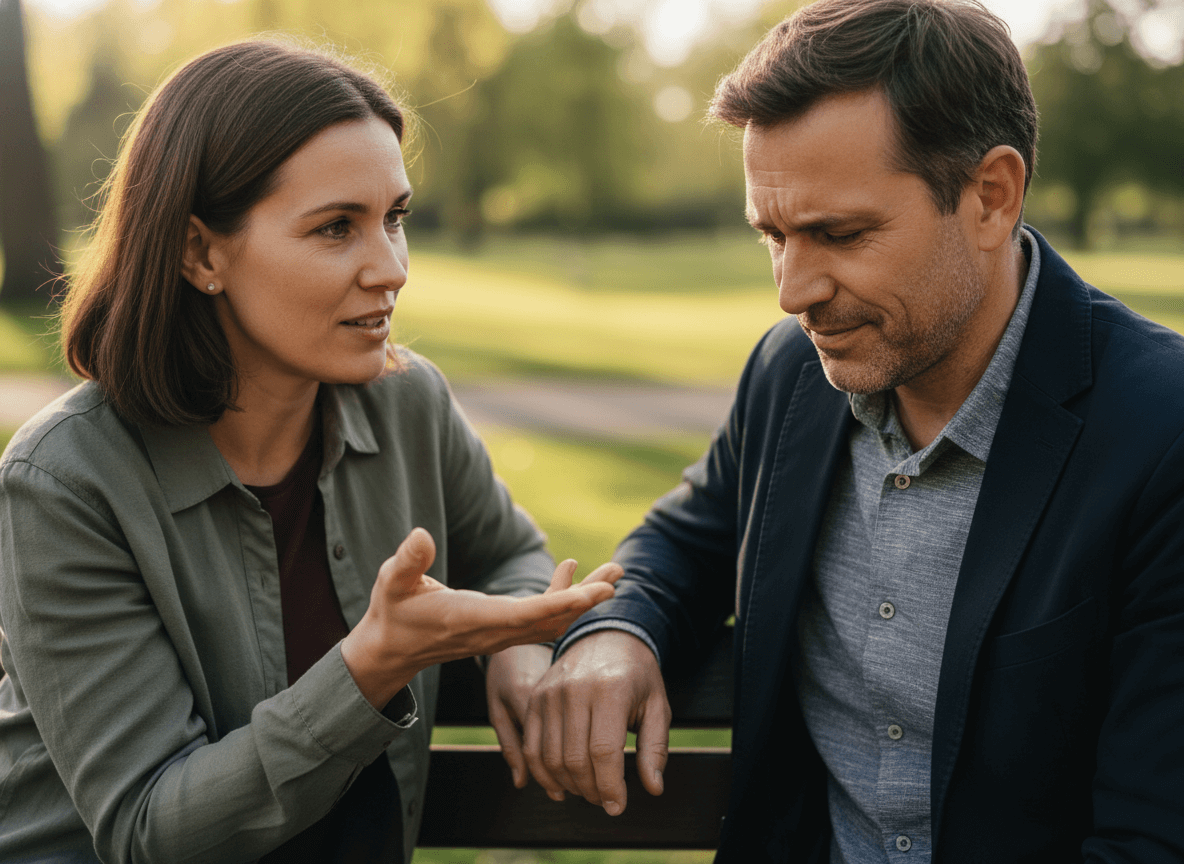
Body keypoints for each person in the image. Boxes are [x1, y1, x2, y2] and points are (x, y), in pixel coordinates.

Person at [520, 0, 1184, 860]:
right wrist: (621, 633)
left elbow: (1151, 840)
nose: (794, 293)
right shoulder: (791, 374)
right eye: (774, 236)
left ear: (991, 197)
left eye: (838, 234)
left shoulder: (1161, 436)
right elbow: (686, 539)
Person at [0, 41, 621, 864]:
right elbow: (151, 831)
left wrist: (514, 642)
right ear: (201, 254)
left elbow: (510, 554)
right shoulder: (65, 484)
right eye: (338, 228)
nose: (391, 269)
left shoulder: (409, 402)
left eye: (394, 218)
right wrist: (369, 667)